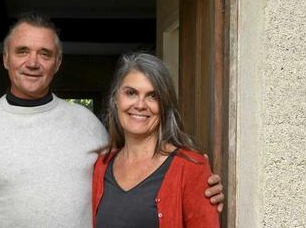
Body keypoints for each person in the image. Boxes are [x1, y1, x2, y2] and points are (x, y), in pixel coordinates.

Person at [0, 13, 223, 228]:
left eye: (45, 53)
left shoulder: (85, 122)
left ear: (58, 62)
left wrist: (198, 180)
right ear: (6, 58)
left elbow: (150, 174)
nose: (33, 62)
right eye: (22, 51)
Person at [92, 53, 219, 228]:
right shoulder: (101, 166)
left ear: (165, 105)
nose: (140, 104)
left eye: (153, 96)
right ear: (115, 99)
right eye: (131, 93)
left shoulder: (191, 167)